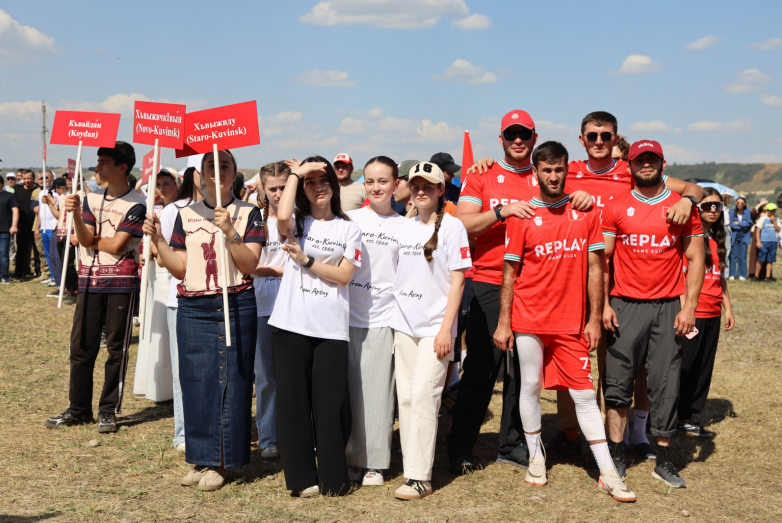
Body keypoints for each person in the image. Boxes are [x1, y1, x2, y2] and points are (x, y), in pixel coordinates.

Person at [468, 111, 704, 463]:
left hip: (621, 283)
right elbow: (531, 178)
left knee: (626, 367)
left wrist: (688, 200)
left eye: (605, 136)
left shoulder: (630, 169)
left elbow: (695, 189)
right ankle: (570, 433)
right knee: (573, 365)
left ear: (616, 139)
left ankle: (629, 436)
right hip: (574, 283)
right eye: (592, 136)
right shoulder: (571, 169)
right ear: (582, 140)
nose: (598, 142)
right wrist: (485, 163)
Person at [447, 109, 593, 475]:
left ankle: (513, 446)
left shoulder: (546, 170)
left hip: (537, 288)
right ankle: (460, 446)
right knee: (482, 369)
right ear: (500, 139)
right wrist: (502, 211)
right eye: (511, 134)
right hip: (490, 281)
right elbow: (461, 226)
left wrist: (583, 197)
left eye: (524, 134)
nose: (517, 140)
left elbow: (579, 196)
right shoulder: (482, 174)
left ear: (534, 137)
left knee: (524, 374)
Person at [493, 141, 635, 502]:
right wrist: (504, 322)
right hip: (528, 319)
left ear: (567, 171)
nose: (553, 176)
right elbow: (509, 273)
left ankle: (607, 472)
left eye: (559, 170)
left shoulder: (585, 212)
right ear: (536, 173)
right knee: (530, 386)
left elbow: (595, 268)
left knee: (584, 394)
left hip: (571, 323)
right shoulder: (522, 215)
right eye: (547, 170)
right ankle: (536, 459)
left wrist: (593, 318)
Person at [146, 150, 264, 491]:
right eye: (212, 165)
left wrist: (229, 230)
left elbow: (249, 264)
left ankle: (223, 461)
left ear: (234, 173)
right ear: (200, 174)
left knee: (232, 380)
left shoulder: (249, 212)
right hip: (193, 306)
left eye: (225, 165)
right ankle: (202, 457)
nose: (218, 171)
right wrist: (158, 240)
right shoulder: (186, 214)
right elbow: (179, 268)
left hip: (234, 302)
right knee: (196, 380)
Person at [602, 140, 705, 489]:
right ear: (630, 165)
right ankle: (616, 454)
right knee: (618, 383)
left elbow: (696, 259)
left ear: (663, 163)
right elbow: (603, 261)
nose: (646, 164)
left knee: (665, 384)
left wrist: (689, 307)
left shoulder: (681, 206)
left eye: (652, 159)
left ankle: (663, 459)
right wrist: (603, 305)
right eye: (639, 160)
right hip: (624, 304)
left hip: (667, 306)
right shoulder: (616, 206)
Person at [269, 156, 360, 498]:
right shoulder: (297, 222)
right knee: (293, 403)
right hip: (290, 324)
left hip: (330, 328)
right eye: (311, 182)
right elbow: (281, 216)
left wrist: (307, 261)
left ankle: (334, 479)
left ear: (334, 186)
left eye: (324, 180)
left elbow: (344, 276)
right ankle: (302, 478)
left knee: (330, 404)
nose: (318, 187)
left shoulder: (349, 228)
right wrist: (295, 173)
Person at [44, 142, 146, 434]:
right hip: (89, 281)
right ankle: (78, 409)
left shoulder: (137, 204)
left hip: (121, 284)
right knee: (81, 348)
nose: (97, 167)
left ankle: (108, 410)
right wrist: (76, 214)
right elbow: (87, 238)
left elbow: (116, 245)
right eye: (98, 161)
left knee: (116, 350)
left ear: (122, 168)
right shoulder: (90, 199)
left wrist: (96, 241)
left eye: (104, 162)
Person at [390, 161, 471, 500]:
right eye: (416, 186)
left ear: (440, 190)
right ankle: (412, 468)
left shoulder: (453, 227)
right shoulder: (403, 227)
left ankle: (420, 477)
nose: (421, 191)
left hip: (436, 328)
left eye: (428, 186)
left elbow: (458, 281)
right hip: (403, 326)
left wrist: (445, 330)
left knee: (425, 396)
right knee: (407, 398)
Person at [344, 156, 407, 487]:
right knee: (350, 392)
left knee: (377, 393)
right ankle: (351, 456)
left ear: (396, 184)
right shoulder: (349, 219)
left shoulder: (405, 226)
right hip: (344, 317)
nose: (376, 187)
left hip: (384, 318)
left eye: (383, 181)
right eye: (370, 181)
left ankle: (374, 463)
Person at [678, 188, 735, 437]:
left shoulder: (718, 238)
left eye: (717, 206)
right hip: (694, 312)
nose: (713, 210)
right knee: (684, 367)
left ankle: (687, 418)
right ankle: (668, 416)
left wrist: (728, 308)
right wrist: (685, 310)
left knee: (703, 368)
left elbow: (720, 277)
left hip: (713, 313)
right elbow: (679, 278)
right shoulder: (689, 237)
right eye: (707, 205)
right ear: (697, 208)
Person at [158, 161, 204, 454]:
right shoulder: (174, 211)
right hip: (181, 299)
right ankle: (184, 432)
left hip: (217, 298)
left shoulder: (228, 210)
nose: (211, 174)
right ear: (192, 175)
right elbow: (163, 256)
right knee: (183, 370)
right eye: (204, 169)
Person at [251, 161, 291, 461]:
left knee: (294, 374)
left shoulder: (300, 219)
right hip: (262, 305)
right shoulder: (255, 220)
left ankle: (297, 432)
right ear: (263, 189)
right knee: (265, 375)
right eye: (273, 188)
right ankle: (268, 436)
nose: (278, 194)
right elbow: (248, 264)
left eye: (283, 188)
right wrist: (280, 271)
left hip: (295, 306)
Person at [133, 168, 181, 403]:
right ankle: (154, 384)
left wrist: (153, 249)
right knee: (154, 326)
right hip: (154, 273)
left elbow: (171, 245)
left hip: (169, 273)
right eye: (158, 185)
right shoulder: (156, 211)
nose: (161, 189)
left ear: (177, 184)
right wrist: (145, 253)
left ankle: (169, 388)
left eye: (166, 184)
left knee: (165, 328)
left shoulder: (181, 210)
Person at [42, 178, 75, 302]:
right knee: (61, 261)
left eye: (55, 189)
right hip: (61, 232)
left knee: (68, 263)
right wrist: (50, 203)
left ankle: (73, 290)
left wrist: (51, 204)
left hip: (71, 233)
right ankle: (66, 288)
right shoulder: (62, 198)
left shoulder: (74, 196)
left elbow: (61, 215)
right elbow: (60, 215)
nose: (55, 192)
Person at [13, 170, 40, 279]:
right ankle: (19, 273)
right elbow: (14, 208)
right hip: (22, 225)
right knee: (21, 250)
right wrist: (16, 223)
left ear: (33, 179)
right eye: (24, 178)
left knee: (37, 250)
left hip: (36, 225)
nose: (27, 181)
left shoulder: (38, 191)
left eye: (29, 178)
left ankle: (39, 272)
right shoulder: (17, 191)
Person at [34, 171, 57, 284]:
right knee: (47, 254)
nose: (44, 180)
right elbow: (41, 212)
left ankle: (57, 277)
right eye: (41, 178)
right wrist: (37, 227)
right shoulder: (41, 193)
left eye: (46, 177)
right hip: (43, 228)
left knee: (54, 254)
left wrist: (51, 201)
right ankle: (52, 276)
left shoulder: (56, 192)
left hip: (53, 227)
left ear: (52, 178)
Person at [0, 175, 19, 284]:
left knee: (3, 253)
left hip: (5, 230)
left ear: (2, 184)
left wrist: (14, 225)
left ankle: (4, 276)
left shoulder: (9, 196)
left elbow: (15, 212)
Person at [755, 203, 780, 281]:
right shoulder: (763, 219)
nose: (772, 212)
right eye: (771, 211)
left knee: (770, 260)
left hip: (773, 242)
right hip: (764, 242)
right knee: (760, 259)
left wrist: (774, 221)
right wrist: (758, 241)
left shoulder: (777, 219)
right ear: (767, 211)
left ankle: (768, 277)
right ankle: (756, 276)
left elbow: (778, 230)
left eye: (774, 211)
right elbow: (758, 230)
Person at [728, 195, 751, 280]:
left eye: (742, 203)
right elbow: (731, 224)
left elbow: (749, 223)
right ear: (736, 203)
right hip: (734, 234)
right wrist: (743, 225)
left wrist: (738, 223)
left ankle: (742, 274)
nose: (740, 204)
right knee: (733, 255)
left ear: (745, 204)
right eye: (738, 203)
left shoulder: (748, 211)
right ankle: (732, 274)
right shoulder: (732, 212)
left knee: (743, 256)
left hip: (744, 235)